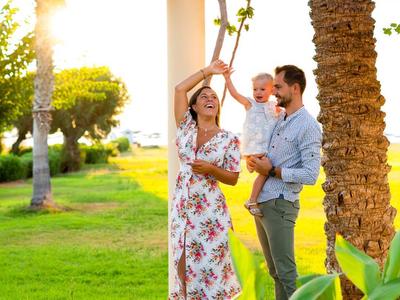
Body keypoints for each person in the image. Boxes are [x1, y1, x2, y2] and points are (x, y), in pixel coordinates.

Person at [247, 65, 322, 300]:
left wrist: (273, 171)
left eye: (278, 87)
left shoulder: (308, 125)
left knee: (287, 274)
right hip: (263, 203)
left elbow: (311, 174)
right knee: (276, 273)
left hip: (281, 204)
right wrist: (256, 163)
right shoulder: (280, 119)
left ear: (295, 88)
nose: (273, 91)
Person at [169, 59, 242, 299]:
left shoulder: (229, 139)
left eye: (214, 97)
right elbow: (180, 89)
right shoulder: (185, 128)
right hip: (182, 209)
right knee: (182, 268)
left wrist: (211, 169)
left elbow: (233, 178)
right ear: (194, 108)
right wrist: (208, 71)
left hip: (211, 212)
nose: (210, 99)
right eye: (204, 97)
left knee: (211, 271)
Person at [224, 69, 280, 217]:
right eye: (255, 89)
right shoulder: (251, 104)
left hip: (266, 147)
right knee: (264, 173)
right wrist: (227, 78)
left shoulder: (273, 106)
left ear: (272, 90)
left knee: (265, 172)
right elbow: (235, 94)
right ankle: (252, 200)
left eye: (262, 89)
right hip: (255, 146)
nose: (258, 92)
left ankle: (250, 166)